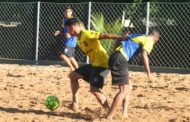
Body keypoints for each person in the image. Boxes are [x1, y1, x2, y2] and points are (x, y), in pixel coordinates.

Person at [65, 18, 128, 112]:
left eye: (68, 29)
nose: (68, 32)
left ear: (72, 27)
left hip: (102, 65)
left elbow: (104, 35)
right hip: (94, 65)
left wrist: (120, 37)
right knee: (73, 76)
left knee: (94, 89)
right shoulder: (78, 40)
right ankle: (75, 104)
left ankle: (108, 110)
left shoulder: (87, 34)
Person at [106, 30, 160, 120]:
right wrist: (148, 72)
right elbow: (144, 54)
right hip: (120, 59)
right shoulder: (150, 40)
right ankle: (109, 116)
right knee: (123, 90)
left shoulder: (137, 35)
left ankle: (124, 113)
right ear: (155, 39)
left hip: (117, 57)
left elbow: (119, 39)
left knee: (129, 87)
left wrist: (115, 52)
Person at [54, 6, 78, 71]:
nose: (67, 13)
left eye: (69, 11)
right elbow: (64, 30)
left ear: (71, 12)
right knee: (71, 57)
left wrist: (71, 35)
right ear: (64, 13)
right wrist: (59, 32)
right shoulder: (65, 19)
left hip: (71, 41)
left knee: (63, 55)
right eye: (66, 11)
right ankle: (78, 69)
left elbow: (77, 31)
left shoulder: (73, 20)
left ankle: (72, 69)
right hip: (68, 41)